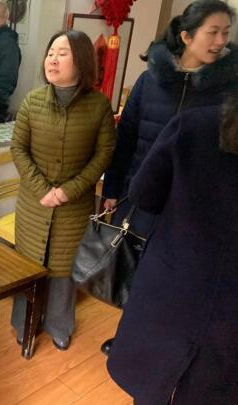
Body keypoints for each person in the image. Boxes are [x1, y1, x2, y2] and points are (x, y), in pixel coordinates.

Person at [100, 0, 237, 356]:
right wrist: (112, 188)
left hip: (194, 206)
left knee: (176, 280)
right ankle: (128, 338)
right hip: (142, 196)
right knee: (135, 270)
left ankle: (163, 348)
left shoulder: (229, 91)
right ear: (186, 36)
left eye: (226, 33)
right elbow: (126, 139)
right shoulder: (150, 80)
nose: (221, 41)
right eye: (213, 32)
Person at [108, 95, 238, 404]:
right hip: (228, 320)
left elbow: (143, 193)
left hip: (172, 285)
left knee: (152, 385)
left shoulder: (196, 124)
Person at [10, 30, 116, 351]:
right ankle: (24, 323)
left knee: (64, 270)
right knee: (28, 266)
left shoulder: (98, 105)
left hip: (74, 206)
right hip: (34, 203)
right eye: (50, 53)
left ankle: (59, 325)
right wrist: (43, 189)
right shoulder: (33, 101)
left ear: (80, 61)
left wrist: (69, 190)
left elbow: (104, 154)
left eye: (62, 53)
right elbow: (18, 148)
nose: (52, 60)